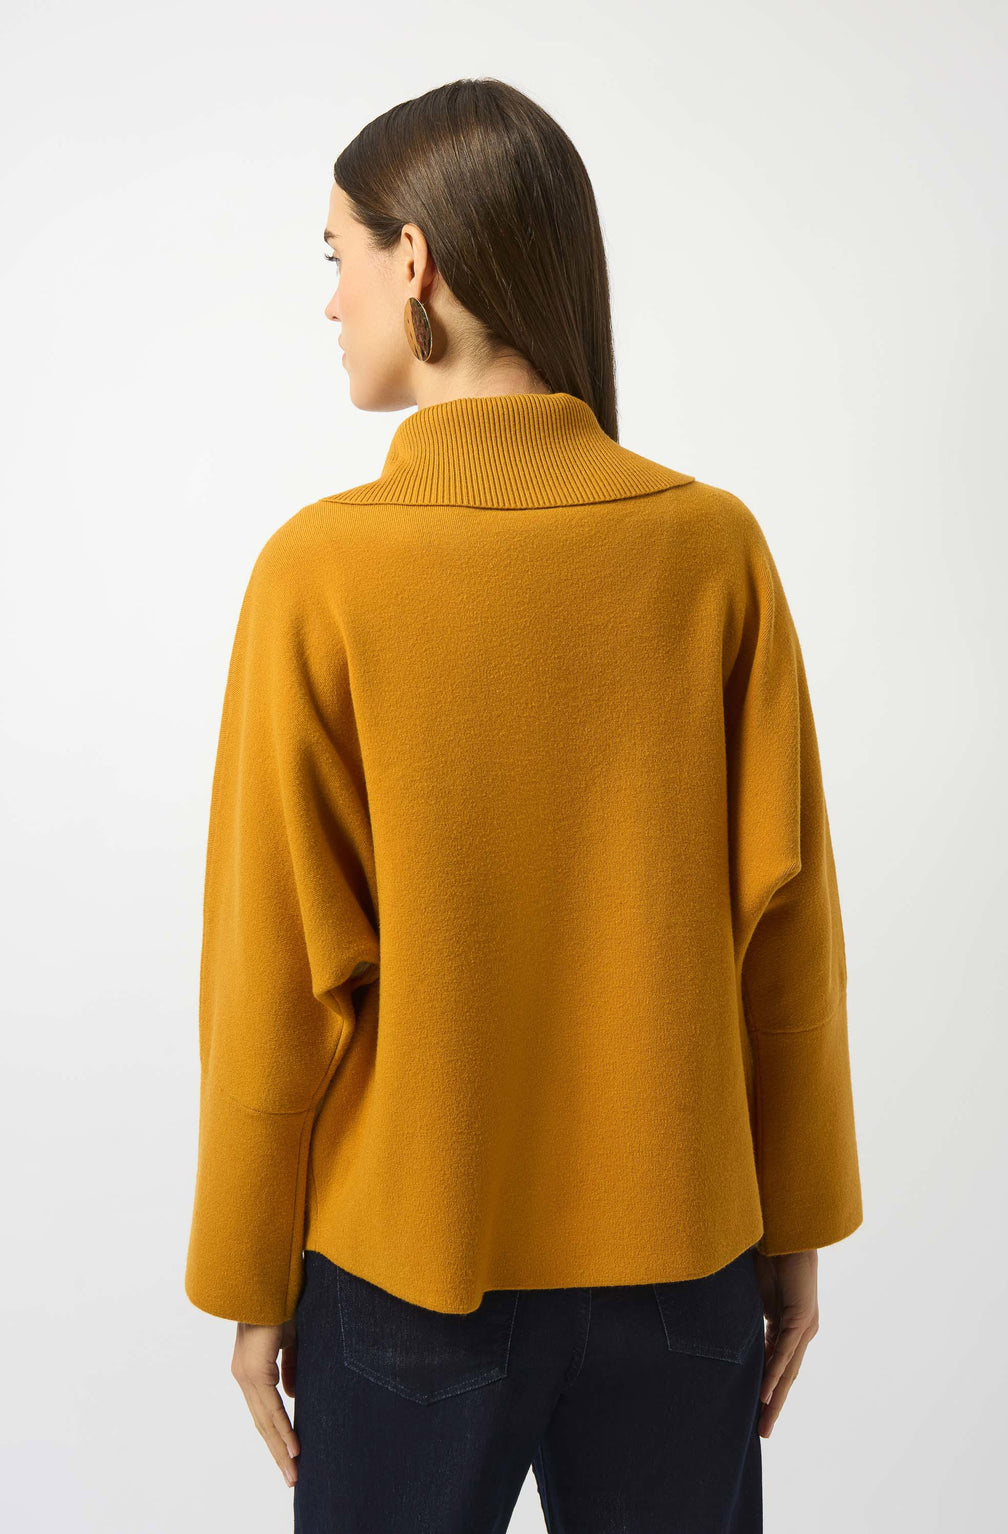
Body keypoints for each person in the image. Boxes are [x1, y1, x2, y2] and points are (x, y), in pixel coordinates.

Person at [184, 76, 863, 1533]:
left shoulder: (321, 574)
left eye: (337, 256)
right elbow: (788, 932)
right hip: (687, 1264)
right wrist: (797, 1225)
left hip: (409, 1270)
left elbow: (273, 976)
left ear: (415, 261)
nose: (331, 301)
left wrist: (247, 1278)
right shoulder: (712, 550)